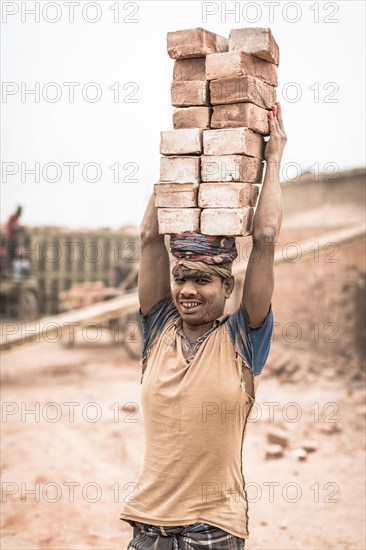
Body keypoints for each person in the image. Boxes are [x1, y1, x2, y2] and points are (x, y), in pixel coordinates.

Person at [120, 103, 287, 549]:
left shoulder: (242, 341)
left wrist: (273, 161)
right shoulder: (158, 330)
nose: (187, 290)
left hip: (211, 532)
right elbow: (150, 239)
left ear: (228, 285)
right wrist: (179, 158)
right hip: (147, 527)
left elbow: (266, 240)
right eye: (181, 277)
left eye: (202, 280)